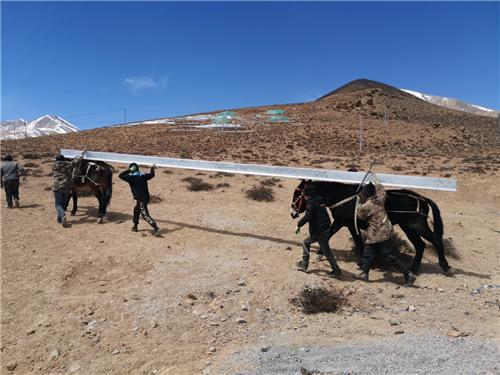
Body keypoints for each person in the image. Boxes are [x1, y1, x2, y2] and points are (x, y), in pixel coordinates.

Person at [356, 182, 417, 286]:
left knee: (389, 256)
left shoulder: (366, 206)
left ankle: (408, 275)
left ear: (366, 195)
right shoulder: (380, 199)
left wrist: (359, 204)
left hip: (376, 234)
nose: (361, 195)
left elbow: (360, 217)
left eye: (362, 194)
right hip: (386, 230)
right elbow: (382, 191)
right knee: (368, 252)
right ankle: (364, 274)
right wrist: (377, 183)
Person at [295, 184, 342, 278]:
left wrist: (298, 225)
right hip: (326, 228)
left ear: (306, 194)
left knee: (306, 243)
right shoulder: (319, 199)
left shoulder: (311, 203)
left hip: (319, 231)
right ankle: (336, 270)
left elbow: (307, 216)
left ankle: (304, 264)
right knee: (326, 250)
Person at [119, 163, 160, 236]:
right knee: (136, 210)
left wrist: (129, 170)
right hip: (145, 198)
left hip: (141, 199)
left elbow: (120, 175)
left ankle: (156, 228)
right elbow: (152, 175)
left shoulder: (130, 178)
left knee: (145, 215)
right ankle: (135, 226)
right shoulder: (143, 175)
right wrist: (152, 168)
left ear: (132, 170)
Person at [52, 152, 83, 227]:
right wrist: (81, 155)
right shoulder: (68, 164)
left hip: (57, 187)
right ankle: (60, 219)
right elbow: (76, 161)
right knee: (62, 203)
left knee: (58, 204)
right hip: (67, 187)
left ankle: (62, 216)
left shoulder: (54, 165)